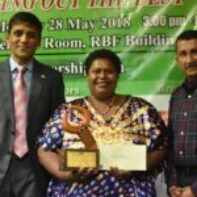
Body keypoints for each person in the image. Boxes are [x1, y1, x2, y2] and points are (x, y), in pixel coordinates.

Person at [38, 49, 167, 197]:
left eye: (109, 71)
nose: (102, 76)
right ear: (87, 75)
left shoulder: (143, 109)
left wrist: (137, 166)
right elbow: (44, 150)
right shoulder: (69, 111)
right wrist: (66, 175)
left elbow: (161, 148)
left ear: (118, 75)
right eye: (96, 71)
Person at [0, 12, 65, 197]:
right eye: (18, 33)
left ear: (39, 41)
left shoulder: (52, 78)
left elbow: (58, 126)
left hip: (35, 168)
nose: (24, 39)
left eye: (31, 34)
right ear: (8, 38)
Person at [166, 30, 197, 197]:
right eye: (183, 54)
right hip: (180, 188)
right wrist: (172, 184)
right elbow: (170, 145)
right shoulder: (177, 95)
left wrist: (194, 190)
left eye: (195, 52)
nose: (189, 60)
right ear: (178, 60)